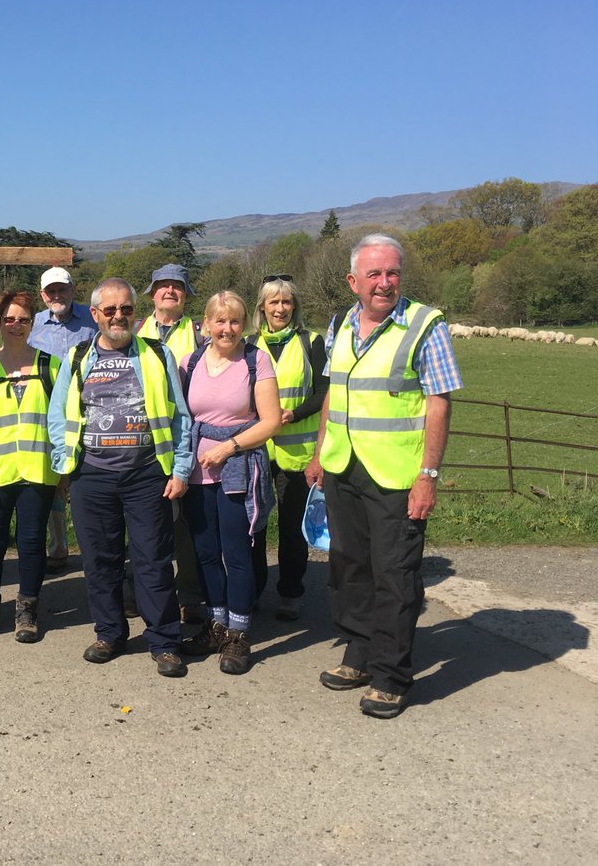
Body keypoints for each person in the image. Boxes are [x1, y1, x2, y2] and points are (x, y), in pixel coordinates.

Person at [306, 234, 461, 719]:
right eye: (374, 274)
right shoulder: (340, 323)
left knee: (395, 575)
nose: (385, 282)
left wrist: (428, 476)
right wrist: (318, 453)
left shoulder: (424, 325)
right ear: (354, 281)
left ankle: (392, 675)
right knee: (349, 565)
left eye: (392, 272)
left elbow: (439, 402)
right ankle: (359, 652)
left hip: (397, 474)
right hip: (342, 465)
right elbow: (335, 390)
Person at [48, 277, 192, 678]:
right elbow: (58, 415)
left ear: (135, 312)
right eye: (109, 310)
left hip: (147, 474)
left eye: (125, 309)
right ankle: (110, 633)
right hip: (92, 476)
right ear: (94, 314)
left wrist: (180, 470)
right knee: (100, 562)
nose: (118, 316)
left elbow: (181, 417)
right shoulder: (78, 357)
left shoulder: (158, 354)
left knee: (153, 562)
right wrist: (67, 465)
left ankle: (164, 642)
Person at [181, 291, 282, 675]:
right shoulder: (190, 362)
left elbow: (270, 421)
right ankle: (217, 624)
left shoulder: (257, 361)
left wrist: (229, 447)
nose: (227, 328)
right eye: (219, 321)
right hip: (196, 470)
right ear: (205, 324)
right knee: (205, 551)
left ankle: (239, 634)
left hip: (238, 468)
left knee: (237, 553)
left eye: (235, 321)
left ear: (244, 324)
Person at [0, 290, 60, 643]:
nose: (16, 326)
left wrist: (63, 471)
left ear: (32, 323)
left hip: (39, 471)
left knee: (32, 541)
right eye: (9, 319)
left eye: (23, 319)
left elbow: (63, 422)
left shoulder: (50, 366)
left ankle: (27, 608)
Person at [247, 275, 328, 621]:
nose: (280, 308)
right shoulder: (248, 344)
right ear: (262, 307)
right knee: (253, 526)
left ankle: (290, 592)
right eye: (273, 302)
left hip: (298, 455)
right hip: (256, 452)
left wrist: (294, 414)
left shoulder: (311, 342)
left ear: (294, 306)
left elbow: (325, 393)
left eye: (286, 302)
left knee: (293, 529)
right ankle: (251, 591)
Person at [134, 263, 204, 622]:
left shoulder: (199, 332)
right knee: (142, 526)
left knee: (186, 526)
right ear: (151, 293)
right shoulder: (134, 329)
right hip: (141, 442)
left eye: (177, 286)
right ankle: (138, 592)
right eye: (162, 286)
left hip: (186, 437)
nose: (169, 292)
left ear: (186, 295)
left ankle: (190, 596)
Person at [28, 266, 97, 574]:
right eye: (50, 291)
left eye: (62, 289)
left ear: (73, 290)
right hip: (42, 409)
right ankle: (57, 548)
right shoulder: (35, 323)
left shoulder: (91, 319)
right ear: (43, 295)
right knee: (52, 480)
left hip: (84, 409)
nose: (57, 295)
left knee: (85, 480)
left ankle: (95, 547)